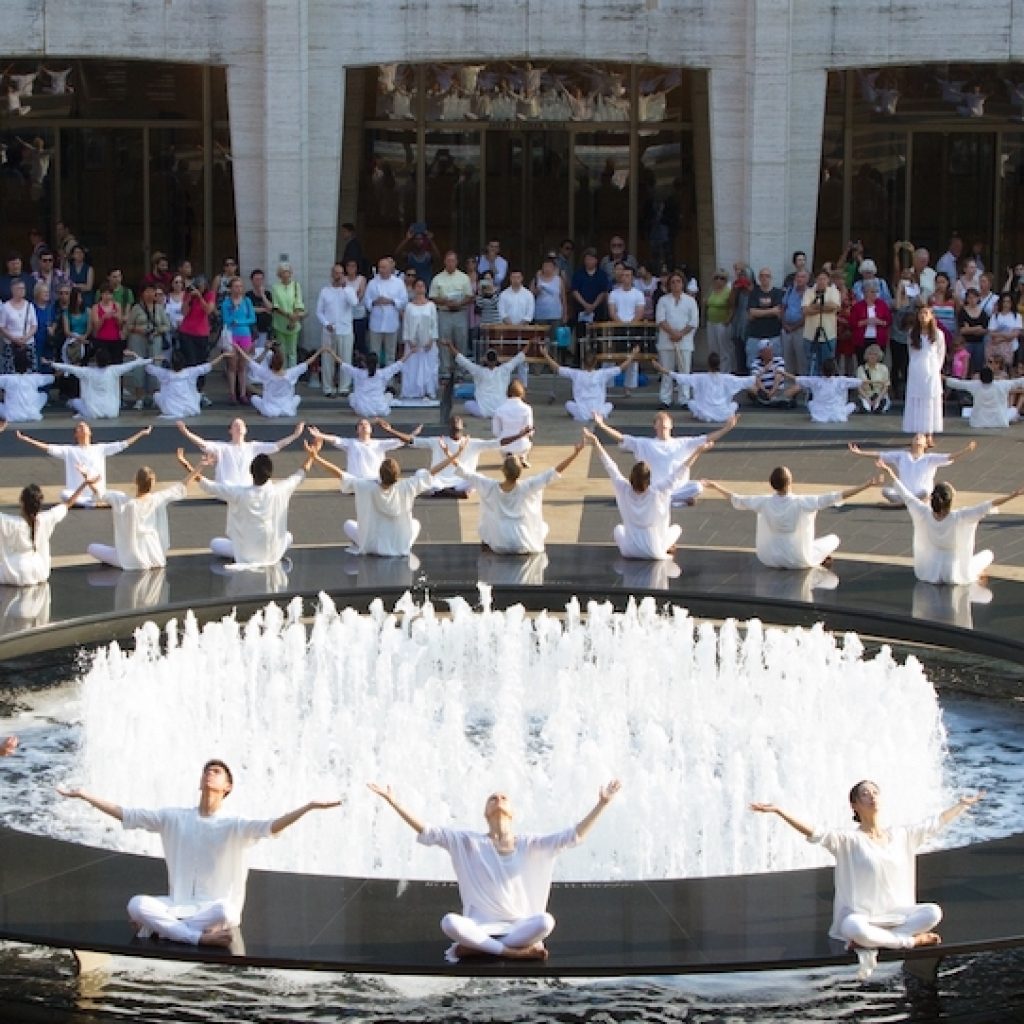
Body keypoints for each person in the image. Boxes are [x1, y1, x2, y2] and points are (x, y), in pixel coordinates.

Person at [57, 761, 340, 947]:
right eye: (207, 770)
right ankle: (196, 939)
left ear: (228, 787)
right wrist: (85, 795)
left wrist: (309, 807)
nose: (210, 773)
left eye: (217, 771)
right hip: (178, 906)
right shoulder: (174, 817)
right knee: (136, 904)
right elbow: (127, 814)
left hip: (212, 910)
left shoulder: (235, 824)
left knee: (228, 911)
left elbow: (271, 826)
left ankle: (159, 929)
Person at [367, 779, 621, 962]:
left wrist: (602, 804)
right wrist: (393, 802)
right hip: (480, 927)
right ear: (485, 812)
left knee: (546, 921)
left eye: (504, 797)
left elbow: (573, 836)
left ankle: (478, 949)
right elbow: (427, 830)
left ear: (512, 812)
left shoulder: (531, 843)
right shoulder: (467, 841)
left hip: (519, 927)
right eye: (493, 798)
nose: (498, 799)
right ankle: (512, 953)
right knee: (449, 922)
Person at [750, 784, 983, 979]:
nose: (872, 796)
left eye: (875, 792)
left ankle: (880, 941)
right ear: (854, 805)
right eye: (865, 794)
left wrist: (962, 805)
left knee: (933, 913)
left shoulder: (901, 835)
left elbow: (936, 822)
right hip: (863, 917)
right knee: (853, 928)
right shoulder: (848, 840)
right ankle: (910, 942)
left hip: (896, 915)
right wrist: (779, 811)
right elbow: (814, 832)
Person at [305, 436, 463, 556]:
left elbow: (340, 474)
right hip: (400, 546)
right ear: (398, 474)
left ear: (379, 474)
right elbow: (433, 472)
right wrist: (454, 455)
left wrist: (315, 457)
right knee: (415, 524)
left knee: (348, 524)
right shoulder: (408, 486)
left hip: (372, 546)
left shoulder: (365, 486)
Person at [876, 459, 1023, 584]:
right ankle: (977, 575)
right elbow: (988, 505)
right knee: (988, 554)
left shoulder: (924, 512)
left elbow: (906, 495)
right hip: (955, 572)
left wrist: (889, 471)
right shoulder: (960, 516)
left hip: (931, 571)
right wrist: (1013, 495)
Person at [702, 467, 880, 569]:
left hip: (770, 558)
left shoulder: (763, 502)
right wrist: (866, 485)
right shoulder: (803, 502)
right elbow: (837, 496)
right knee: (834, 539)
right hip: (799, 558)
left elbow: (737, 499)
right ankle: (819, 558)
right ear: (791, 481)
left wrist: (716, 486)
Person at [178, 445, 318, 569]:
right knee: (288, 536)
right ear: (270, 473)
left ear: (251, 472)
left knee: (215, 544)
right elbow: (301, 473)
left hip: (245, 554)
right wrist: (312, 456)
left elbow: (207, 484)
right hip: (272, 554)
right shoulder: (281, 490)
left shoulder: (238, 493)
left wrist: (186, 464)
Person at [585, 429, 707, 560]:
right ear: (649, 479)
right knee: (677, 528)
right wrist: (698, 451)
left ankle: (662, 545)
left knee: (618, 529)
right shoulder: (658, 490)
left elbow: (610, 466)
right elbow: (680, 471)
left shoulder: (622, 487)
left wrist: (595, 442)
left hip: (628, 550)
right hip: (655, 550)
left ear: (631, 476)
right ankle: (666, 546)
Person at [448, 440, 585, 554]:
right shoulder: (528, 486)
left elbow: (465, 471)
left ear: (502, 470)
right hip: (523, 541)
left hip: (499, 543)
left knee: (485, 527)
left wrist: (447, 452)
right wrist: (576, 453)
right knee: (543, 527)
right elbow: (555, 471)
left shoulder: (489, 486)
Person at [593, 409, 737, 507]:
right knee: (653, 493)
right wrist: (602, 425)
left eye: (665, 424)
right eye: (660, 424)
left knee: (697, 487)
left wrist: (726, 428)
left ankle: (670, 501)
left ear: (671, 426)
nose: (663, 426)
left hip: (677, 488)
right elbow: (621, 438)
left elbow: (707, 438)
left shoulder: (683, 443)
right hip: (655, 488)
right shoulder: (644, 443)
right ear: (654, 426)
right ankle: (676, 502)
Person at [87, 459, 203, 570]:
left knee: (92, 548)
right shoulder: (157, 499)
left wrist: (87, 479)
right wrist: (200, 466)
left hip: (130, 557)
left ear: (135, 481)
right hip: (154, 554)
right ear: (153, 483)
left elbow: (100, 493)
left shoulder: (122, 500)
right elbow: (181, 486)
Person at [16, 421, 152, 506]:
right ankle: (94, 503)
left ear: (90, 432)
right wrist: (26, 439)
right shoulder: (69, 450)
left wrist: (141, 433)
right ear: (76, 434)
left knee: (120, 495)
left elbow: (123, 444)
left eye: (84, 426)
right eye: (79, 427)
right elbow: (48, 447)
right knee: (64, 494)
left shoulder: (100, 448)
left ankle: (97, 501)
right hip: (78, 495)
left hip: (98, 493)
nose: (82, 428)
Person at [0, 476, 96, 585]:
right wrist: (84, 484)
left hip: (14, 572)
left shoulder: (9, 522)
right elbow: (68, 504)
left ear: (21, 502)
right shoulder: (45, 519)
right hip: (38, 570)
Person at [848, 435, 976, 507]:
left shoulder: (930, 458)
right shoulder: (902, 456)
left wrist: (966, 450)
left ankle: (900, 505)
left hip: (921, 494)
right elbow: (880, 454)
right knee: (885, 491)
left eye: (921, 438)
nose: (918, 438)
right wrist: (860, 453)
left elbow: (949, 457)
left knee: (925, 492)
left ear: (926, 444)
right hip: (905, 493)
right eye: (916, 437)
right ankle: (905, 503)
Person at [177, 418, 305, 488]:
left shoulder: (253, 447)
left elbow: (276, 446)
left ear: (246, 430)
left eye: (241, 425)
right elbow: (203, 443)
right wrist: (186, 432)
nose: (239, 427)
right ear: (230, 430)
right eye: (235, 425)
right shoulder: (221, 447)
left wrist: (295, 435)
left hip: (246, 490)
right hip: (226, 489)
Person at [538, 345, 639, 422]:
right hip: (598, 411)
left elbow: (557, 368)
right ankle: (600, 415)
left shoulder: (576, 374)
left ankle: (583, 415)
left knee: (568, 404)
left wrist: (545, 355)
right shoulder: (602, 373)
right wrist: (633, 355)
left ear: (583, 362)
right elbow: (621, 368)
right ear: (596, 362)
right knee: (609, 405)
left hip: (582, 413)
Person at [409, 415, 504, 497]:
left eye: (457, 430)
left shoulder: (473, 443)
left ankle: (443, 492)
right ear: (449, 428)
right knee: (420, 473)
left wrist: (518, 436)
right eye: (454, 429)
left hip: (462, 482)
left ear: (462, 429)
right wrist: (393, 431)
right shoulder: (437, 441)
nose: (456, 432)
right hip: (439, 480)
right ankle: (453, 493)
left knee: (479, 478)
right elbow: (412, 441)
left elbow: (496, 443)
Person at [49, 347, 150, 420]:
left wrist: (51, 364)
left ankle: (82, 414)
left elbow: (69, 368)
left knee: (73, 401)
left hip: (93, 413)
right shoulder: (114, 370)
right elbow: (135, 363)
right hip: (112, 412)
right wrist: (150, 359)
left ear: (96, 360)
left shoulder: (87, 372)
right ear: (109, 360)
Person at [652, 352, 754, 423]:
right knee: (734, 404)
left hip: (706, 414)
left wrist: (661, 369)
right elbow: (747, 380)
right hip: (723, 414)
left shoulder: (700, 377)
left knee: (691, 403)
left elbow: (679, 377)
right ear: (719, 364)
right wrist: (764, 370)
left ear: (708, 364)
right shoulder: (727, 378)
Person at [234, 343, 328, 418]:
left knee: (254, 398)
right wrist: (319, 351)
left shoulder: (266, 373)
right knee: (297, 397)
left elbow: (249, 361)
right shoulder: (290, 373)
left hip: (270, 409)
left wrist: (238, 348)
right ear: (282, 363)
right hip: (287, 409)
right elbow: (307, 363)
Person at [309, 418, 410, 479]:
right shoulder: (351, 443)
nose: (364, 426)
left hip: (374, 481)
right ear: (357, 430)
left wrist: (391, 430)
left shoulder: (379, 443)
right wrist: (320, 435)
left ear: (371, 430)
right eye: (361, 424)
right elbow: (335, 439)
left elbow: (404, 440)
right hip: (355, 482)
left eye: (366, 424)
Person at [448, 341, 527, 419]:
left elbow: (462, 360)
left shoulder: (478, 371)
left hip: (483, 412)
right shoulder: (504, 369)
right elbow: (519, 357)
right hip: (501, 410)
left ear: (486, 360)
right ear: (496, 360)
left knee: (467, 404)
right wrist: (530, 344)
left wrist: (450, 345)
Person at [124, 283, 172, 411]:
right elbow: (128, 326)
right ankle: (139, 398)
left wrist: (157, 330)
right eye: (147, 291)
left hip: (154, 340)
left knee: (155, 367)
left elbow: (167, 325)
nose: (150, 294)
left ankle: (154, 397)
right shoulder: (136, 308)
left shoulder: (159, 308)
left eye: (152, 291)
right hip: (138, 340)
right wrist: (138, 329)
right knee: (139, 367)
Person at [655, 271, 700, 405]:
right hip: (666, 341)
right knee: (666, 371)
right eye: (673, 282)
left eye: (678, 281)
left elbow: (693, 322)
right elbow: (660, 320)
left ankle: (684, 399)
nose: (675, 284)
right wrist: (672, 333)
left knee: (684, 372)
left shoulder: (690, 301)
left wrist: (680, 334)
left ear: (683, 283)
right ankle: (665, 399)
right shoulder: (663, 300)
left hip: (684, 341)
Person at [315, 262, 360, 398]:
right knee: (328, 359)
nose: (338, 276)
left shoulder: (349, 290)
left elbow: (354, 303)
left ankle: (344, 387)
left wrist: (345, 288)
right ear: (332, 274)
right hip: (329, 330)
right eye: (336, 273)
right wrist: (326, 323)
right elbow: (319, 311)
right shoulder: (325, 291)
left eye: (341, 273)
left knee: (345, 359)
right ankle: (328, 387)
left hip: (345, 329)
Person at [903, 307, 946, 445]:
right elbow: (911, 352)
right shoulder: (912, 334)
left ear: (931, 316)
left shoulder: (938, 334)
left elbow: (941, 353)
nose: (923, 316)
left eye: (926, 313)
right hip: (916, 370)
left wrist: (935, 369)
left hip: (932, 370)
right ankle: (918, 433)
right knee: (917, 400)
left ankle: (929, 433)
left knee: (930, 400)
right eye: (920, 313)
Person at [147, 349, 227, 419]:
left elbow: (147, 367)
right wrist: (222, 355)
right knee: (198, 394)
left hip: (170, 409)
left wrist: (154, 359)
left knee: (156, 394)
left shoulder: (164, 373)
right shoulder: (191, 372)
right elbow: (209, 365)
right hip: (189, 408)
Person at [783, 360, 862, 423]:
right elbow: (862, 381)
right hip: (838, 414)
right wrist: (874, 381)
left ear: (822, 370)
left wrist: (783, 372)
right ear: (834, 370)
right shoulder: (842, 380)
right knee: (853, 405)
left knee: (810, 403)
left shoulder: (815, 380)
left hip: (819, 415)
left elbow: (796, 378)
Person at [342, 349, 411, 418]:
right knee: (389, 395)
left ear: (364, 363)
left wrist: (331, 352)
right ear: (377, 363)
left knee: (352, 396)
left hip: (363, 410)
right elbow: (398, 364)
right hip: (381, 409)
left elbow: (342, 363)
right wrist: (411, 352)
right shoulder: (383, 373)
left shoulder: (357, 373)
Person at [363, 258, 408, 366]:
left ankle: (389, 380)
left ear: (390, 268)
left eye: (384, 267)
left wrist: (391, 301)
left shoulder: (398, 283)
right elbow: (366, 300)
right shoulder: (373, 283)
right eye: (380, 267)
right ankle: (375, 377)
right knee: (374, 352)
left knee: (390, 353)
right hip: (376, 322)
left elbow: (404, 301)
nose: (381, 270)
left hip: (391, 322)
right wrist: (375, 302)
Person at [220, 276, 258, 405]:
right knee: (232, 365)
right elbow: (226, 319)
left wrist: (240, 321)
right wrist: (234, 312)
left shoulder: (247, 301)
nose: (238, 289)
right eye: (236, 286)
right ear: (231, 288)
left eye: (240, 286)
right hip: (231, 334)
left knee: (243, 365)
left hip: (244, 334)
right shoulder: (226, 303)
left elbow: (252, 318)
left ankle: (242, 393)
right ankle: (232, 393)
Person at [946, 366, 1024, 428]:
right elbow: (1019, 381)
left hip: (978, 422)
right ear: (993, 376)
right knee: (1013, 410)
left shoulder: (974, 385)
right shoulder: (1002, 384)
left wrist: (942, 377)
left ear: (980, 377)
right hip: (999, 421)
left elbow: (957, 383)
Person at [400, 279, 439, 399]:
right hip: (413, 344)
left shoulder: (431, 305)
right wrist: (409, 340)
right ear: (414, 288)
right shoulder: (409, 306)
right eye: (417, 286)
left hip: (428, 342)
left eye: (422, 286)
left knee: (429, 366)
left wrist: (432, 340)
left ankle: (429, 390)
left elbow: (434, 324)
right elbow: (406, 324)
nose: (420, 289)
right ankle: (412, 391)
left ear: (425, 289)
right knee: (412, 367)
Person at [0, 351, 54, 422]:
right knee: (44, 395)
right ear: (28, 365)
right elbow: (53, 378)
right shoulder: (35, 377)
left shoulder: (7, 378)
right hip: (33, 415)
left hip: (11, 416)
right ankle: (32, 409)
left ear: (13, 365)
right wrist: (50, 363)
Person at [270, 262, 306, 368]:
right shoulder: (275, 287)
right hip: (280, 323)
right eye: (283, 273)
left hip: (293, 322)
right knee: (282, 351)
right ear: (279, 275)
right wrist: (287, 315)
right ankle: (283, 373)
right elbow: (275, 305)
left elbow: (299, 302)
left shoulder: (296, 285)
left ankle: (292, 377)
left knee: (292, 352)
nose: (286, 275)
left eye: (287, 272)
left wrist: (294, 317)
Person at [491, 380, 534, 463]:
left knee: (502, 443)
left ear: (507, 393)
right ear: (522, 393)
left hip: (504, 446)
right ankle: (522, 456)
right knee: (527, 442)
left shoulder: (499, 409)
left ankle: (509, 457)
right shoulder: (527, 408)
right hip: (522, 446)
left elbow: (496, 432)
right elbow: (529, 430)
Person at [856, 344, 891, 414]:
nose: (872, 356)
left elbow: (886, 386)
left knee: (878, 409)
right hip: (865, 395)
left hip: (880, 395)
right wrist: (867, 398)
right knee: (866, 409)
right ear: (867, 356)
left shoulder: (884, 368)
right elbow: (859, 387)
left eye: (875, 354)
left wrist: (878, 399)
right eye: (870, 354)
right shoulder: (860, 369)